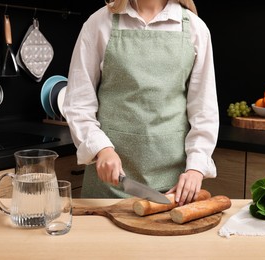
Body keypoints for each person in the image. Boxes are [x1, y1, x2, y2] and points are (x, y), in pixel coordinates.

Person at [63, 0, 218, 206]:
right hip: (109, 187)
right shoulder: (99, 23)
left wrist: (195, 169)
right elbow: (78, 103)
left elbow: (204, 110)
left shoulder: (196, 29)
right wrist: (102, 149)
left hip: (173, 191)